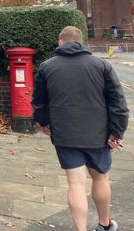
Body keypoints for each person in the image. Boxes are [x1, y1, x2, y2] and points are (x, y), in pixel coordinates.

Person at [32, 26, 129, 231]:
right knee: (100, 177)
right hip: (98, 134)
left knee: (75, 183)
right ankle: (105, 224)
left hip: (65, 134)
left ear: (60, 42)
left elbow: (39, 102)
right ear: (81, 41)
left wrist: (44, 122)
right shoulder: (101, 65)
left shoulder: (46, 67)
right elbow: (118, 103)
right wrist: (117, 132)